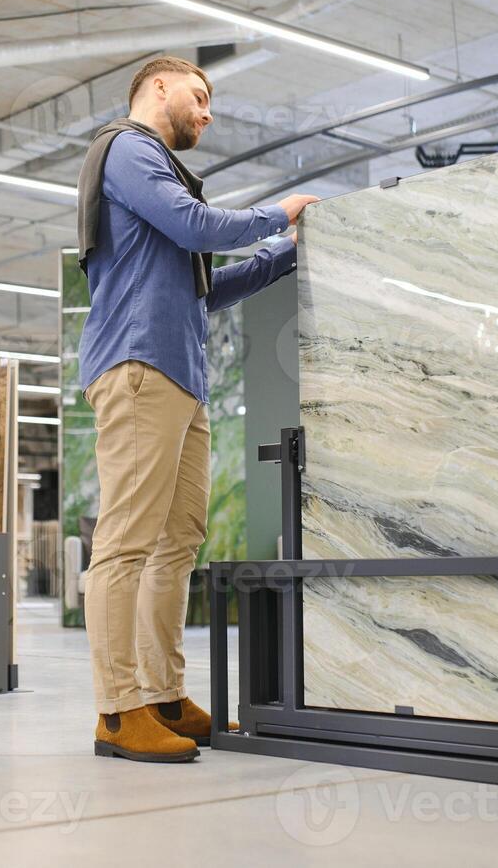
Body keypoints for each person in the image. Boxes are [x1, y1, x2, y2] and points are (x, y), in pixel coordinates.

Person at [75, 56, 316, 762]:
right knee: (124, 544)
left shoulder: (158, 177)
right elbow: (194, 225)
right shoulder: (127, 148)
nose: (207, 113)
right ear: (158, 86)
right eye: (200, 95)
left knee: (175, 544)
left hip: (181, 379)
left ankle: (162, 695)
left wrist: (284, 253)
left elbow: (202, 288)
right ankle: (118, 712)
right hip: (138, 366)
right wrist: (281, 210)